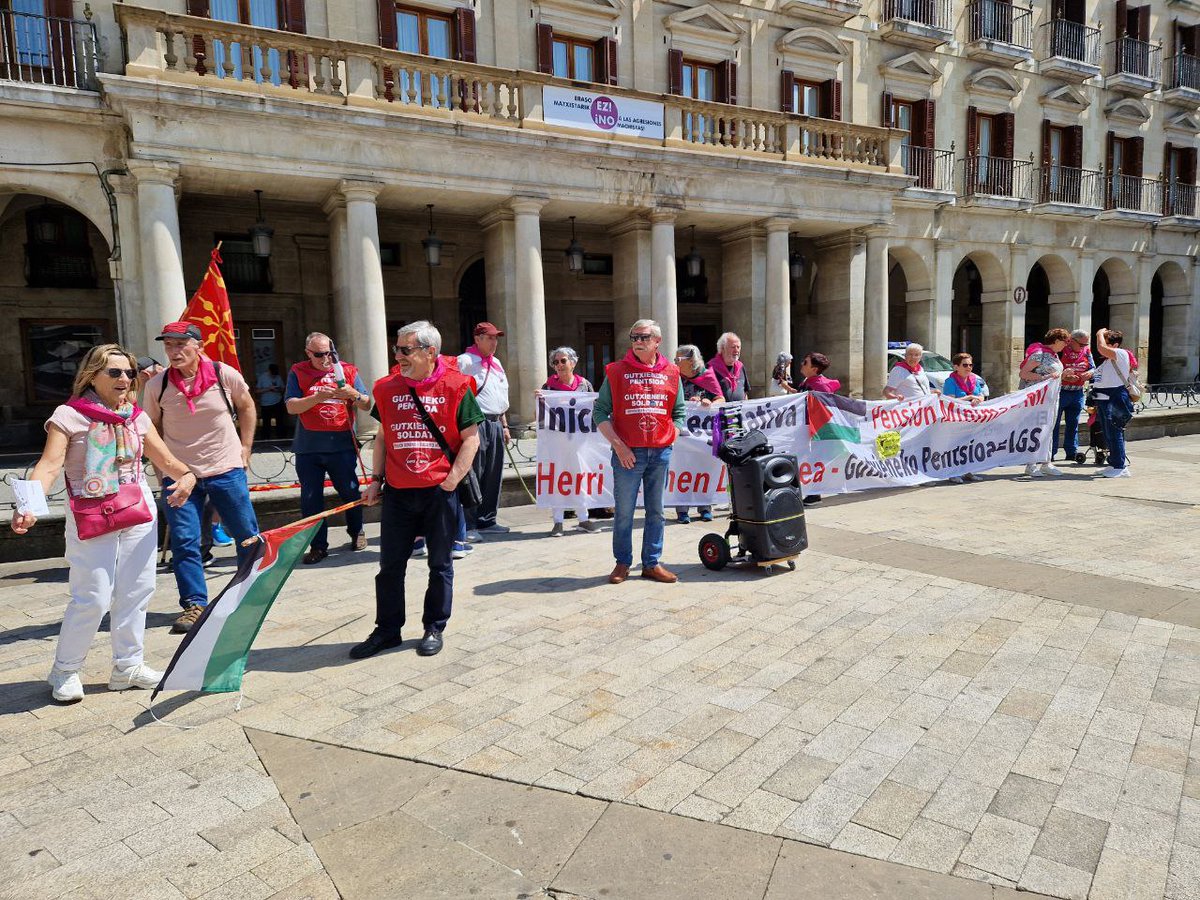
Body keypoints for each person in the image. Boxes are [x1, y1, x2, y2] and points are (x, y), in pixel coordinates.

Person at [10, 344, 198, 703]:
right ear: (91, 376)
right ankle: (65, 669)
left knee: (137, 591)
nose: (125, 379)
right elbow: (50, 465)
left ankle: (127, 666)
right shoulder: (69, 415)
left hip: (137, 509)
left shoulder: (136, 416)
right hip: (91, 512)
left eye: (129, 372)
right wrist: (28, 507)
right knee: (92, 598)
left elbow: (165, 459)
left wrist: (187, 476)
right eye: (114, 372)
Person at [352, 321, 483, 660]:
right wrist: (376, 480)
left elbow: (471, 440)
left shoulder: (456, 386)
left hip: (438, 492)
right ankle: (387, 630)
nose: (398, 356)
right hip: (398, 493)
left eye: (405, 350)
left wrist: (451, 481)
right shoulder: (385, 388)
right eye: (397, 349)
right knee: (390, 567)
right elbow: (383, 436)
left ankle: (434, 627)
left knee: (440, 565)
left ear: (430, 352)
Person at [143, 321, 260, 635]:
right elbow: (149, 430)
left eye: (181, 344)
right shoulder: (158, 385)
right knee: (184, 541)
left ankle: (246, 596)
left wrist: (246, 447)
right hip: (180, 476)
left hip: (225, 469)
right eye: (168, 345)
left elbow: (247, 407)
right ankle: (194, 604)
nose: (174, 351)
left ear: (199, 346)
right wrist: (162, 471)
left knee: (247, 536)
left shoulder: (224, 375)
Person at [594, 319, 686, 585]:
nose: (637, 341)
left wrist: (672, 436)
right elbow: (599, 411)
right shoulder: (616, 371)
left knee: (656, 511)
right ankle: (622, 562)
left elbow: (679, 413)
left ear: (657, 341)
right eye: (634, 337)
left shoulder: (671, 372)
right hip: (628, 454)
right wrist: (618, 445)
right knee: (624, 512)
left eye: (644, 337)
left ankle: (652, 563)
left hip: (660, 453)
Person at [285, 332, 372, 565]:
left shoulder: (347, 370)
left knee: (350, 492)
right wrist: (315, 398)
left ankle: (357, 532)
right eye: (319, 355)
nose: (326, 359)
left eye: (330, 353)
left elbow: (367, 404)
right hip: (309, 447)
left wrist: (354, 394)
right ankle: (318, 546)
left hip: (341, 444)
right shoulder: (298, 371)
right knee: (311, 499)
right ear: (308, 353)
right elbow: (291, 407)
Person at [538, 346, 601, 537]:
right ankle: (558, 521)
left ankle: (583, 518)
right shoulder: (547, 388)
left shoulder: (584, 385)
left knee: (581, 477)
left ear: (573, 362)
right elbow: (541, 418)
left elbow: (594, 409)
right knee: (558, 477)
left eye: (563, 361)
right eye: (555, 362)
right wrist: (539, 401)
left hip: (580, 442)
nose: (559, 365)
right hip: (557, 442)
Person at [457, 322, 510, 539]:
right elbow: (457, 393)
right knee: (473, 474)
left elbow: (499, 398)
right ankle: (469, 525)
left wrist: (505, 426)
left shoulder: (496, 362)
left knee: (493, 474)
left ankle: (487, 520)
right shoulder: (465, 361)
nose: (494, 342)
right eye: (489, 338)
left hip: (496, 423)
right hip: (476, 423)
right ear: (477, 339)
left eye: (496, 338)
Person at [672, 344, 724, 524]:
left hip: (703, 435)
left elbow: (720, 398)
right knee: (682, 470)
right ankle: (682, 511)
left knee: (704, 469)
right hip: (683, 435)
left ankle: (705, 508)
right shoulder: (675, 376)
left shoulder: (707, 375)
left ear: (691, 360)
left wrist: (707, 401)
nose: (675, 362)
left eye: (678, 359)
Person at [1018, 328, 1067, 477]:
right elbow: (1024, 374)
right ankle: (1030, 464)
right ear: (1057, 340)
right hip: (1037, 399)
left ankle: (1046, 462)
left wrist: (1063, 375)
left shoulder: (1054, 355)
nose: (1066, 345)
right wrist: (1046, 377)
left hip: (1051, 398)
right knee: (1034, 429)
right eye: (1065, 341)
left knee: (1049, 428)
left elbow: (1054, 374)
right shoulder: (1039, 354)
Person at [1092, 328, 1136, 478]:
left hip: (1116, 397)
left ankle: (1120, 466)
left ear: (1115, 344)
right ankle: (1113, 463)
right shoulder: (1107, 362)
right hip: (1104, 397)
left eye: (1107, 342)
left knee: (1115, 430)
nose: (1104, 345)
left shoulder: (1121, 354)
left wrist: (1099, 334)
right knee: (1108, 432)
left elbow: (1101, 348)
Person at [941, 353, 985, 485]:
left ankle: (969, 470)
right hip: (956, 419)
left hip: (972, 419)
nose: (969, 367)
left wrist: (978, 398)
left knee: (970, 445)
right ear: (956, 367)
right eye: (965, 365)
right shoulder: (950, 382)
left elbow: (982, 395)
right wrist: (968, 398)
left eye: (970, 365)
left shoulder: (974, 379)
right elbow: (949, 400)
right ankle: (953, 472)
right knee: (956, 446)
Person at [1056, 329, 1095, 463]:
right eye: (1081, 344)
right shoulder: (1062, 349)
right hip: (1061, 391)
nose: (1084, 347)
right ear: (1072, 341)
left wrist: (1089, 374)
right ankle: (1051, 452)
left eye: (1086, 344)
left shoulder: (1086, 351)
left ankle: (1071, 451)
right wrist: (1064, 376)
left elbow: (1093, 368)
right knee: (1054, 424)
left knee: (1073, 424)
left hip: (1077, 392)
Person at [709, 332, 750, 401]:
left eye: (738, 347)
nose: (736, 350)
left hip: (740, 411)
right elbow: (705, 395)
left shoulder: (741, 366)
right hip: (720, 411)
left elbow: (744, 393)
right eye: (733, 347)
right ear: (722, 349)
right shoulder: (711, 368)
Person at [256, 363, 287, 439]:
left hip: (277, 401)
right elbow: (257, 391)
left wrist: (278, 389)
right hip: (266, 403)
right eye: (272, 374)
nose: (274, 376)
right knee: (266, 422)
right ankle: (265, 438)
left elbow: (283, 389)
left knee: (280, 421)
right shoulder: (262, 377)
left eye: (275, 374)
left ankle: (281, 437)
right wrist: (268, 389)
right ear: (269, 371)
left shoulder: (278, 377)